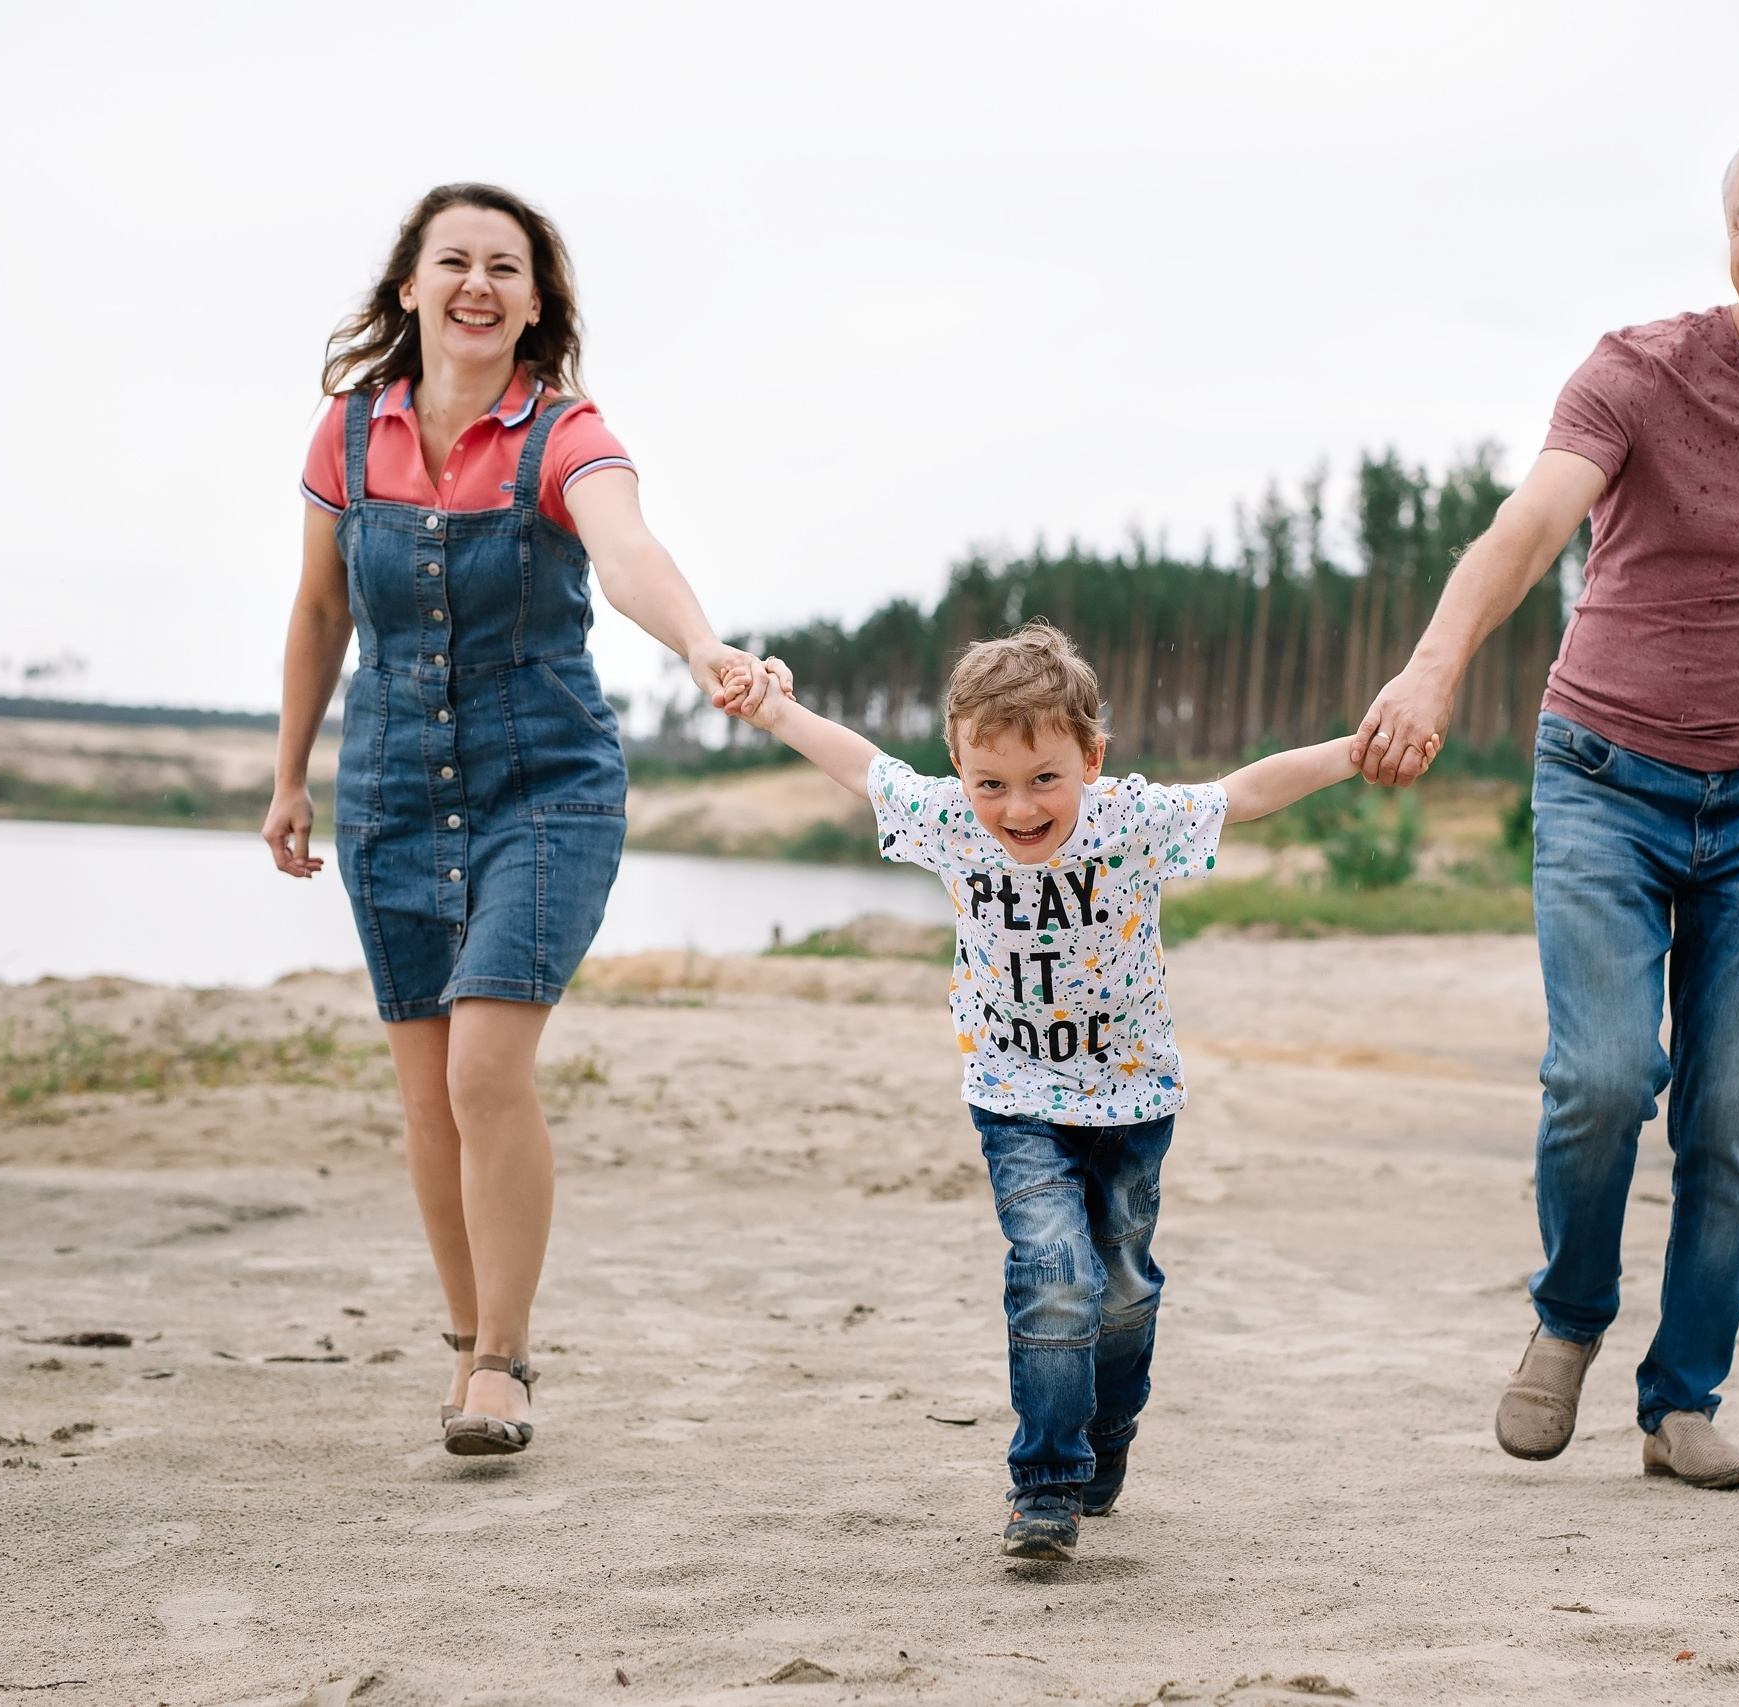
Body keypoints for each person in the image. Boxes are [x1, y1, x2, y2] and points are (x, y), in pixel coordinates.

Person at [1351, 117, 1739, 1489]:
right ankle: (1569, 1314)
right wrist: (1432, 668)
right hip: (1604, 774)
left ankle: (1681, 1399)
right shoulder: (1637, 370)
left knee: (1734, 1114)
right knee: (1603, 1075)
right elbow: (1528, 527)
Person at [262, 183, 778, 1457]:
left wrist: (704, 644)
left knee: (485, 1066)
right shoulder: (347, 435)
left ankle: (504, 1361)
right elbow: (323, 610)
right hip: (387, 790)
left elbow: (625, 549)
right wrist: (289, 776)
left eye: (506, 266)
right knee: (427, 1094)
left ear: (536, 301)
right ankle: (461, 1344)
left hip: (546, 786)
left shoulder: (564, 433)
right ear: (409, 287)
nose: (478, 283)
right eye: (455, 261)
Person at [725, 622, 1360, 1560]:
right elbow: (861, 765)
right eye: (991, 784)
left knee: (1123, 1291)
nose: (1017, 809)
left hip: (1135, 1103)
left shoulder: (1130, 820)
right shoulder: (947, 819)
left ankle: (1107, 1437)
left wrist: (1360, 748)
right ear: (958, 767)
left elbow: (1248, 790)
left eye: (1043, 779)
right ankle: (1046, 1486)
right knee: (1055, 1274)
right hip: (1015, 1096)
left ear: (1092, 758)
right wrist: (772, 706)